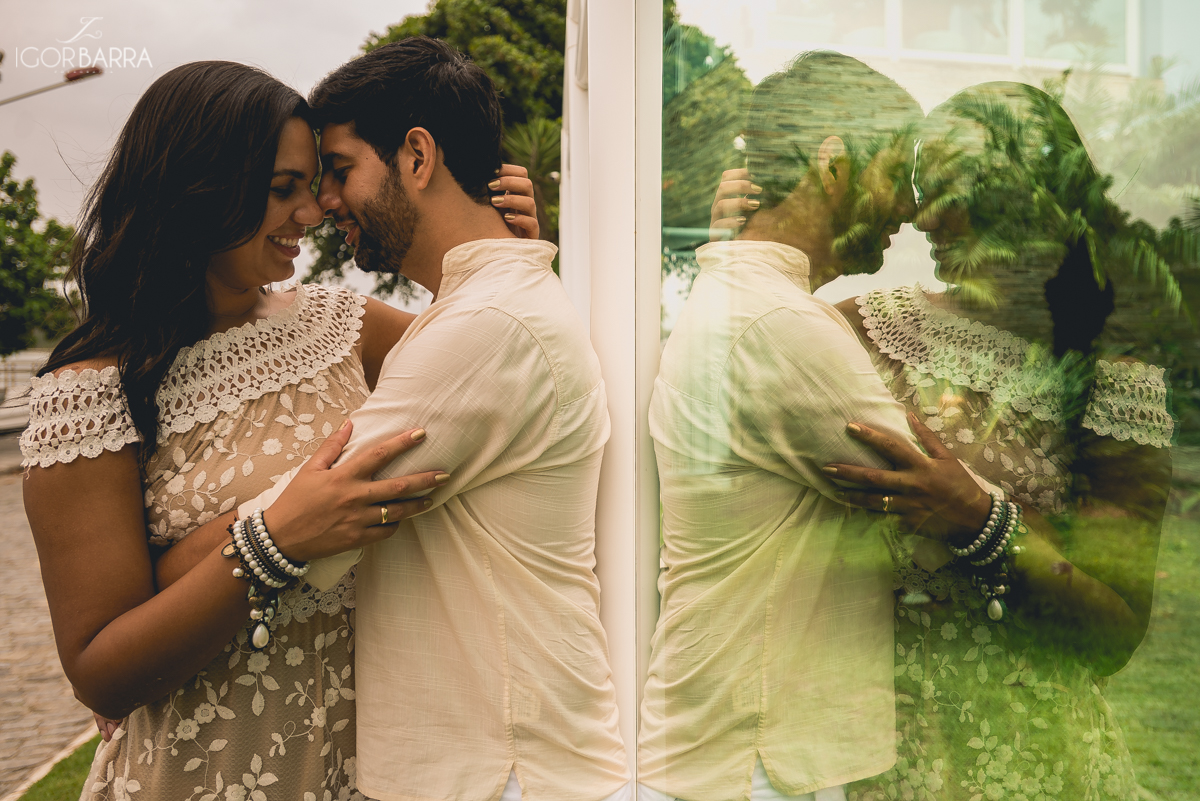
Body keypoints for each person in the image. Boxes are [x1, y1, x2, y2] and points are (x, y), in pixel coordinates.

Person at [19, 60, 539, 800]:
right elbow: (100, 668)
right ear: (197, 187)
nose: (315, 210)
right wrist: (274, 542)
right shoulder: (91, 393)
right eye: (282, 189)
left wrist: (503, 247)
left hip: (374, 770)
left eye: (316, 183)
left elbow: (492, 362)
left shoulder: (340, 324)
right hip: (202, 775)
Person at [715, 82, 1171, 800]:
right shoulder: (855, 327)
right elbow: (715, 408)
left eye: (951, 186)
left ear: (1028, 196)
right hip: (864, 758)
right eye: (920, 183)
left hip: (1035, 764)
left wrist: (983, 524)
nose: (923, 213)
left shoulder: (1111, 379)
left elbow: (1113, 634)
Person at [234, 37, 631, 801]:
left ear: (417, 155)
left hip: (499, 772)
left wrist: (133, 611)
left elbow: (303, 528)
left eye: (340, 171)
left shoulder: (487, 325)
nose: (322, 207)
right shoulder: (480, 309)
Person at [638, 52, 992, 801]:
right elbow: (930, 494)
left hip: (738, 744)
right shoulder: (777, 322)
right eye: (896, 174)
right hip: (759, 762)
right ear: (833, 163)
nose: (909, 208)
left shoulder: (742, 299)